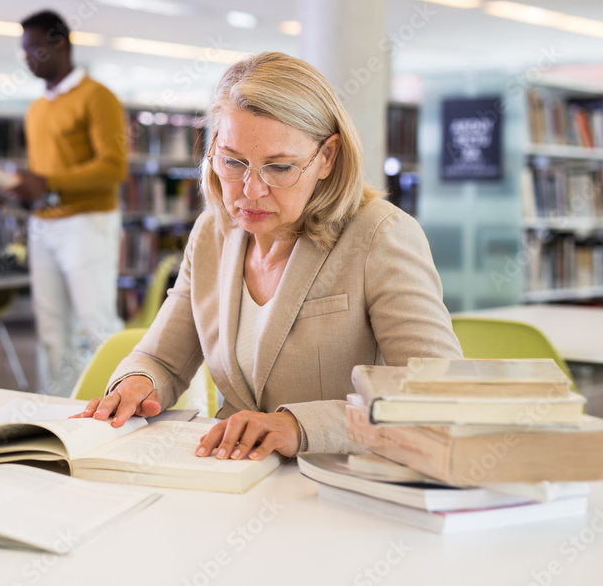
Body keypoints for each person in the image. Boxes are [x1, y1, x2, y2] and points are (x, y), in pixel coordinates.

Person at [80, 52, 463, 459]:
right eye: (232, 161)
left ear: (327, 158)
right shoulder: (213, 233)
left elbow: (437, 396)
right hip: (235, 477)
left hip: (340, 485)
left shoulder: (380, 235)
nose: (250, 190)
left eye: (279, 168)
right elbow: (161, 359)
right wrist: (137, 383)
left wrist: (300, 427)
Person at [10, 10, 129, 396]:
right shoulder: (36, 109)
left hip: (86, 223)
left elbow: (113, 167)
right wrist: (24, 188)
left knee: (98, 325)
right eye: (23, 51)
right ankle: (56, 415)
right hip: (43, 225)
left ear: (58, 43)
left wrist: (46, 181)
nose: (26, 57)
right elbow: (45, 173)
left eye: (32, 48)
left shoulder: (98, 97)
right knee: (51, 331)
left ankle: (125, 409)